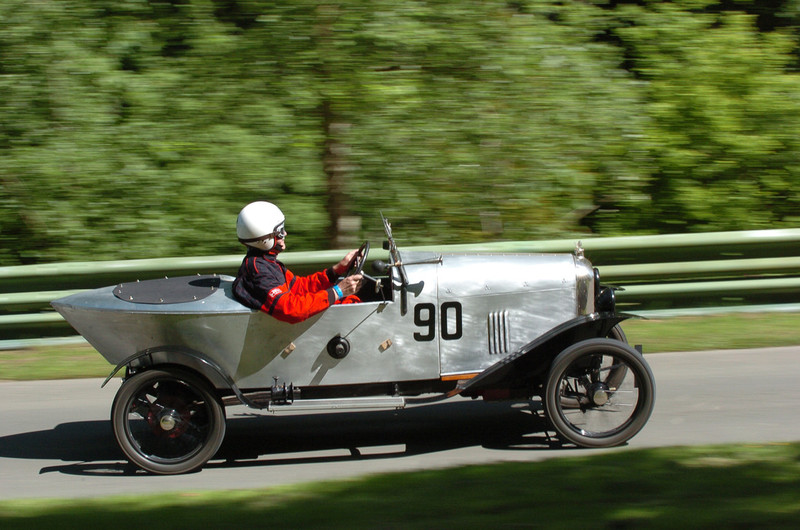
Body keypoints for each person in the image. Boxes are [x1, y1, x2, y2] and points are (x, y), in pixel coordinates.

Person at [233, 201, 363, 323]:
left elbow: (299, 287)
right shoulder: (258, 272)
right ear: (265, 239)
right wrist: (338, 291)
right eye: (280, 231)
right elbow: (291, 310)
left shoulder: (266, 262)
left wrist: (337, 270)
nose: (285, 233)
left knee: (350, 301)